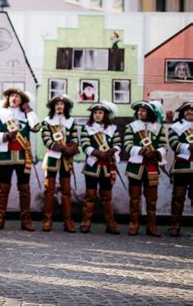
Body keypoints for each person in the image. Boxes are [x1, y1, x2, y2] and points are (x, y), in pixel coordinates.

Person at [0, 88, 40, 231]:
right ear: (7, 98)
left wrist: (29, 110)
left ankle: (26, 220)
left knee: (24, 189)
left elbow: (36, 128)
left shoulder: (26, 115)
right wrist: (6, 136)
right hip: (5, 156)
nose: (14, 98)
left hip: (23, 157)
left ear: (22, 99)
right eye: (11, 95)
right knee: (3, 189)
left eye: (17, 96)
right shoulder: (0, 114)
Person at [124, 100, 167, 237]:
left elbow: (164, 146)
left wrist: (157, 153)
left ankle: (151, 225)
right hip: (136, 167)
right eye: (139, 110)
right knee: (134, 198)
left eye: (143, 110)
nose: (139, 113)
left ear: (149, 113)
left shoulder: (159, 128)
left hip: (152, 166)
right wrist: (142, 151)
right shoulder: (131, 127)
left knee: (152, 199)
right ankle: (134, 224)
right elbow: (127, 145)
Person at [79, 101, 121, 234]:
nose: (97, 115)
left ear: (105, 115)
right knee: (90, 196)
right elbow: (85, 145)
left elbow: (118, 143)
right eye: (95, 113)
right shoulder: (87, 128)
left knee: (107, 196)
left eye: (100, 113)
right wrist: (98, 153)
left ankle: (110, 223)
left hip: (108, 166)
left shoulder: (112, 128)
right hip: (93, 166)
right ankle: (86, 222)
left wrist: (111, 151)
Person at [41, 94, 78, 232]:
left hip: (66, 160)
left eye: (62, 104)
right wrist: (62, 147)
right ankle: (47, 220)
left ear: (65, 107)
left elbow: (75, 137)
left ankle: (68, 221)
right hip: (52, 158)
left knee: (66, 191)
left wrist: (73, 147)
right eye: (57, 104)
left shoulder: (71, 121)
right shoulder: (47, 121)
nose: (59, 106)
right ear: (53, 107)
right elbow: (46, 139)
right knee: (49, 191)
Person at [167, 100, 193, 237]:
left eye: (192, 109)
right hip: (181, 167)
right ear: (183, 112)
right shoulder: (176, 127)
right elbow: (173, 143)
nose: (189, 112)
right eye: (187, 110)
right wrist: (188, 147)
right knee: (178, 197)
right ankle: (174, 225)